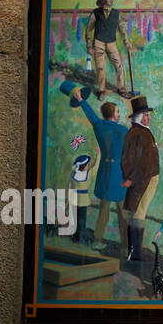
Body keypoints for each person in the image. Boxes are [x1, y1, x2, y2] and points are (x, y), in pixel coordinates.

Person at [63, 81, 128, 251]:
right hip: (119, 175)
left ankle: (97, 239)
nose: (119, 114)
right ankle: (126, 245)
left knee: (104, 210)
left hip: (105, 174)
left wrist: (81, 99)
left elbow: (90, 113)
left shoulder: (99, 126)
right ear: (113, 114)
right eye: (117, 111)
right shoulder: (123, 130)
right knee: (123, 212)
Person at [119, 95, 161, 269]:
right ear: (138, 117)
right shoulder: (136, 133)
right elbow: (128, 159)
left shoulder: (143, 131)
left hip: (148, 178)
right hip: (142, 179)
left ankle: (135, 251)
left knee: (139, 213)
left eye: (149, 114)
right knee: (138, 213)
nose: (149, 117)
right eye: (145, 114)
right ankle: (135, 253)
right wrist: (131, 177)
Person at [84, 0, 129, 98]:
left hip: (112, 43)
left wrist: (127, 42)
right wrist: (89, 45)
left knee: (119, 65)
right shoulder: (96, 13)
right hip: (98, 43)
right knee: (100, 68)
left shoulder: (116, 14)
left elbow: (122, 29)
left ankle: (121, 88)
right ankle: (101, 90)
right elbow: (88, 30)